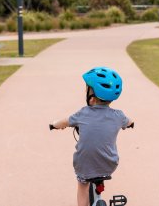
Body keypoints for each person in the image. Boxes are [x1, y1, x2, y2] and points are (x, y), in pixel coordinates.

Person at [50, 67, 134, 206]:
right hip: (109, 164)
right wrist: (131, 124)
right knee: (102, 166)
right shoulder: (119, 116)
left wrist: (54, 124)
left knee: (83, 186)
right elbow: (130, 121)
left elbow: (64, 122)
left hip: (85, 165)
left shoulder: (83, 113)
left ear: (92, 97)